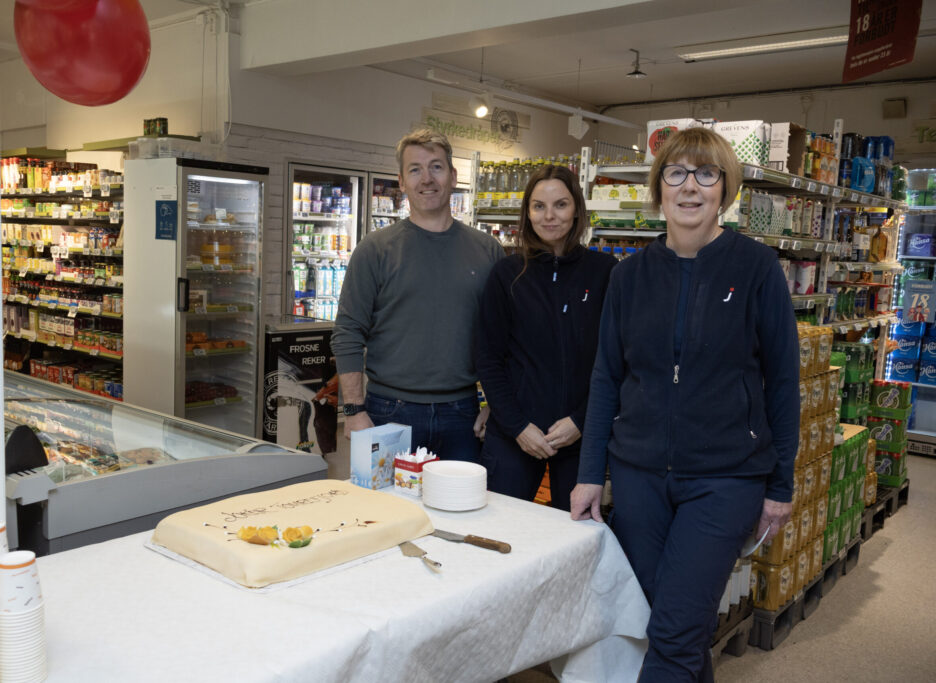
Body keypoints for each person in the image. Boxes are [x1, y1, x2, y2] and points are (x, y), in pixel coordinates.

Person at [570, 127, 800, 682]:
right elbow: (606, 377)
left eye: (706, 174)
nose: (690, 186)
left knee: (674, 634)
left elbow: (782, 382)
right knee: (669, 623)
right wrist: (590, 473)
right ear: (659, 188)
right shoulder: (629, 276)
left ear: (725, 189)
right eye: (676, 173)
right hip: (640, 476)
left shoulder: (757, 268)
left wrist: (780, 485)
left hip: (725, 478)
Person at [331, 129, 504, 461]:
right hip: (388, 412)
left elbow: (503, 338)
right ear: (401, 181)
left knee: (461, 496)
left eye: (436, 167)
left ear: (453, 176)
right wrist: (354, 410)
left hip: (464, 415)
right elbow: (348, 331)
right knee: (387, 499)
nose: (427, 179)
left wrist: (495, 405)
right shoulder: (375, 250)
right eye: (415, 169)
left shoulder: (488, 251)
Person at [475, 164, 616, 510]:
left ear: (577, 209)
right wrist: (518, 426)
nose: (549, 216)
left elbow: (617, 360)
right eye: (539, 206)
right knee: (501, 530)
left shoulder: (606, 273)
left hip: (581, 439)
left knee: (576, 534)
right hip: (515, 436)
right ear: (527, 213)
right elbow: (488, 358)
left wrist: (581, 421)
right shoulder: (507, 274)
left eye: (560, 205)